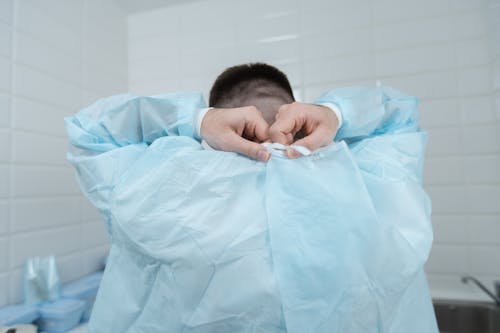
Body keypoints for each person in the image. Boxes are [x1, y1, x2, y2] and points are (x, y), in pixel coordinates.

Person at [64, 62, 437, 332]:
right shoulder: (365, 174)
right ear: (296, 109)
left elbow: (89, 131)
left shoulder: (167, 180)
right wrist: (338, 113)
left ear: (223, 117)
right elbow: (401, 115)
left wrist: (195, 121)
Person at [199, 63, 341, 161]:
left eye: (291, 133)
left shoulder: (337, 157)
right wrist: (199, 121)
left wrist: (336, 114)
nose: (273, 149)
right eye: (249, 137)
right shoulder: (197, 166)